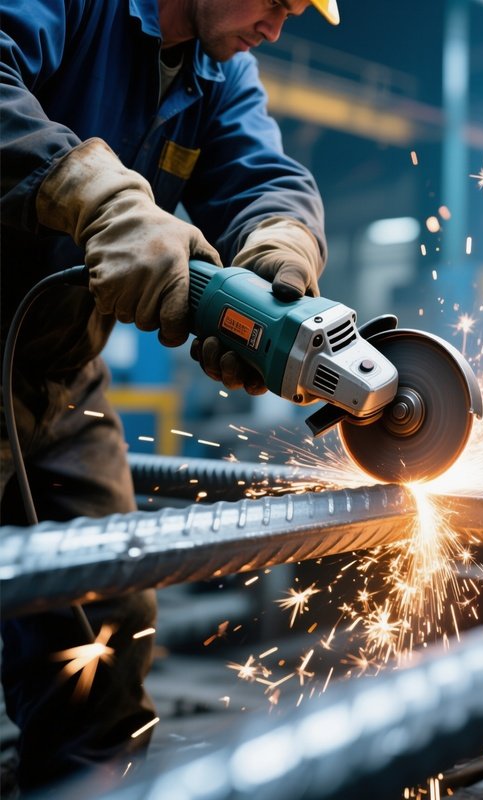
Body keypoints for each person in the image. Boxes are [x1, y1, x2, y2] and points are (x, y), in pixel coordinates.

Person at [1, 0, 339, 791]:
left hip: (58, 384)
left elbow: (263, 177)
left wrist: (280, 241)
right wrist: (93, 194)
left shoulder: (219, 71)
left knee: (102, 640)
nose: (278, 26)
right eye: (277, 0)